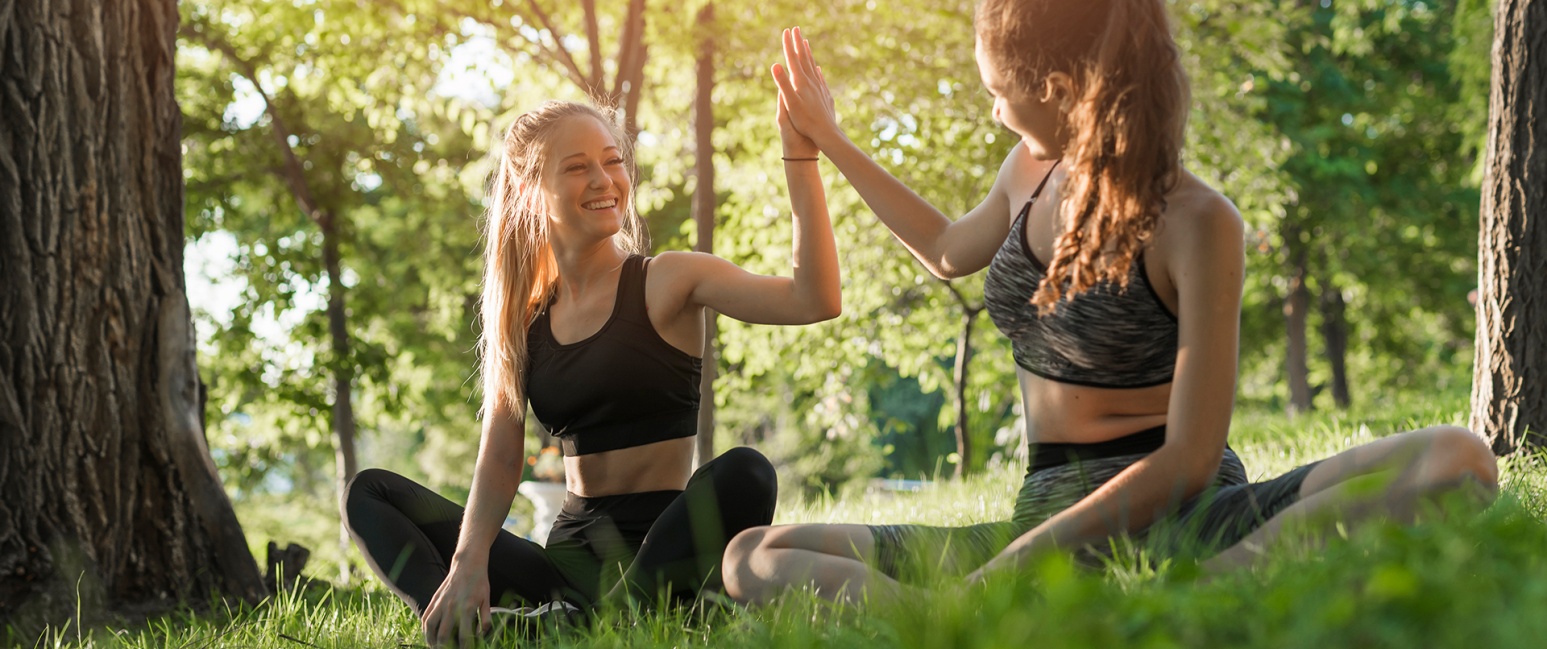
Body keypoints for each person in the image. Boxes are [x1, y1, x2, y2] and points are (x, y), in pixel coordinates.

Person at [722, 10, 1498, 605]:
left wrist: (1007, 570)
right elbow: (948, 249)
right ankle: (975, 614)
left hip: (1188, 516)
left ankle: (1142, 597)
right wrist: (825, 139)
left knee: (1456, 458)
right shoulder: (1029, 167)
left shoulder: (1198, 221)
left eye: (999, 92)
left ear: (1059, 89)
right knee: (749, 553)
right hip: (1041, 515)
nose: (994, 111)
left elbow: (1189, 460)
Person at [343, 98, 840, 647]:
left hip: (668, 551)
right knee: (371, 493)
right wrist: (468, 564)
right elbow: (502, 455)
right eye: (577, 167)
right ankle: (461, 626)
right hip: (568, 568)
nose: (605, 180)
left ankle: (582, 627)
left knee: (746, 471)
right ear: (533, 189)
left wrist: (801, 158)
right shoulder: (524, 318)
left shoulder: (668, 279)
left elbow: (813, 298)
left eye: (613, 161)